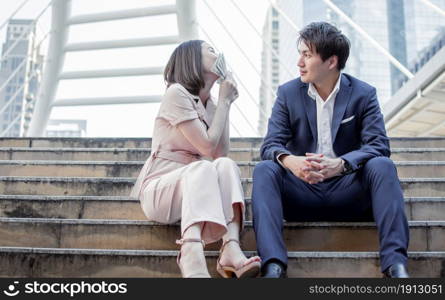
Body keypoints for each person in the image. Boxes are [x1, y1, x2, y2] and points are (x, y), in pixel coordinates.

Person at [252, 22, 410, 278]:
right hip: (300, 192)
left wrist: (342, 164)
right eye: (300, 54)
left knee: (383, 165)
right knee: (265, 169)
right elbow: (270, 145)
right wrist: (293, 162)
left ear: (331, 61)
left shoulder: (363, 94)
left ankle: (395, 266)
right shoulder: (288, 94)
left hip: (348, 192)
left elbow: (379, 145)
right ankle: (273, 266)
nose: (299, 62)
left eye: (307, 55)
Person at [130, 40, 261, 278]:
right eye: (210, 49)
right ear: (192, 59)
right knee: (202, 167)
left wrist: (225, 103)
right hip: (162, 188)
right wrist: (223, 101)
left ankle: (231, 247)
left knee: (226, 165)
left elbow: (220, 154)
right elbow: (206, 146)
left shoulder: (211, 103)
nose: (218, 53)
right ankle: (190, 252)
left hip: (199, 185)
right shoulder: (176, 93)